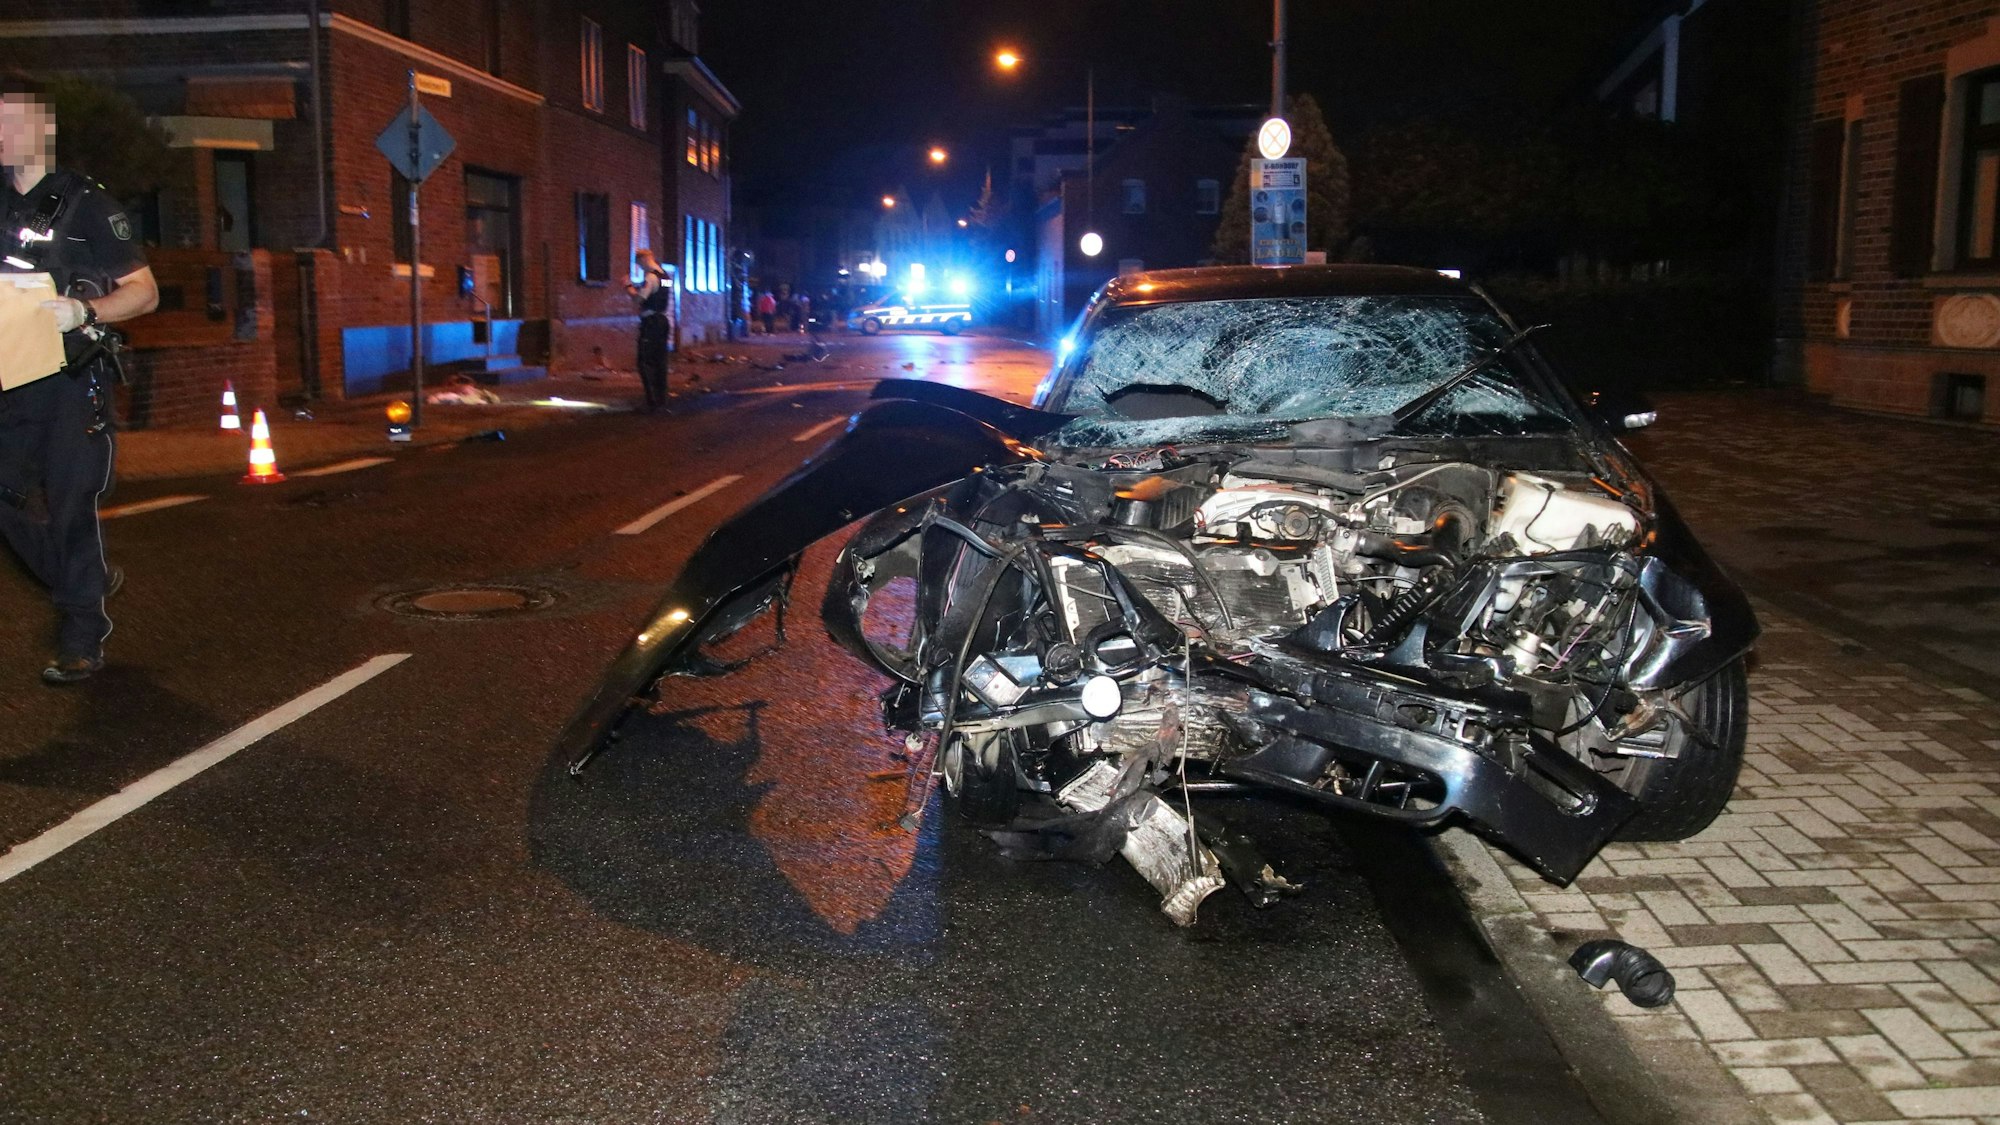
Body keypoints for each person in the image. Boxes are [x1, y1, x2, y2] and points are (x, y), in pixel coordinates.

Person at [0, 76, 159, 683]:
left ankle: (81, 635)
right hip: (12, 379)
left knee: (70, 508)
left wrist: (85, 311)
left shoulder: (85, 202)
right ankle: (79, 578)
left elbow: (144, 293)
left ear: (45, 128)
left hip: (72, 382)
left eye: (16, 120)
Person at [625, 247, 673, 412]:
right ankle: (662, 397)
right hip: (663, 320)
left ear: (644, 259)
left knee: (645, 361)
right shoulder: (665, 275)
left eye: (638, 263)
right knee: (661, 360)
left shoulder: (651, 277)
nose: (639, 267)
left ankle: (652, 400)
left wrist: (628, 287)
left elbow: (640, 298)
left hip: (651, 322)